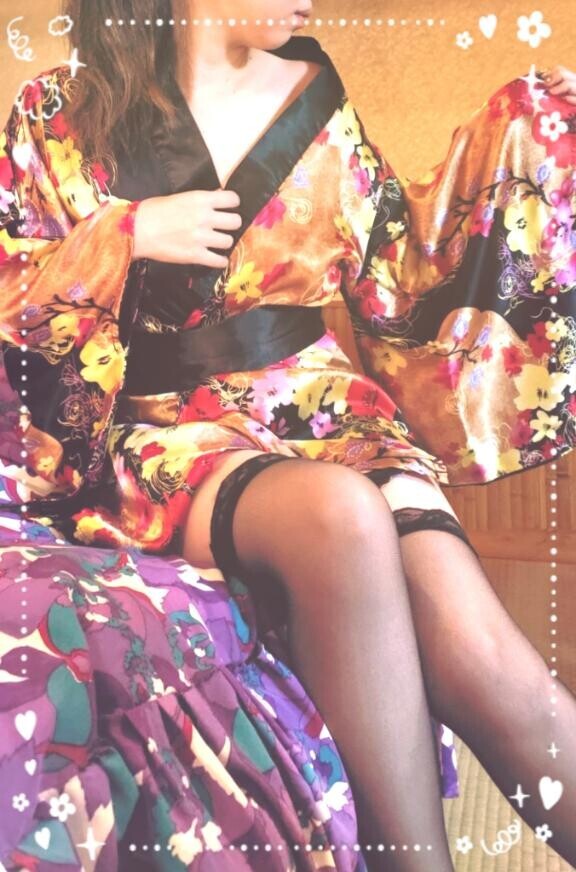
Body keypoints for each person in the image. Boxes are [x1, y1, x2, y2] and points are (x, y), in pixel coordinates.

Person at [0, 1, 575, 869]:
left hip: (327, 408)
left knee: (487, 652)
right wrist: (125, 235)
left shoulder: (318, 100)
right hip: (165, 427)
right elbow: (13, 297)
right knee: (339, 516)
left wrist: (536, 134)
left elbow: (402, 275)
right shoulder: (59, 112)